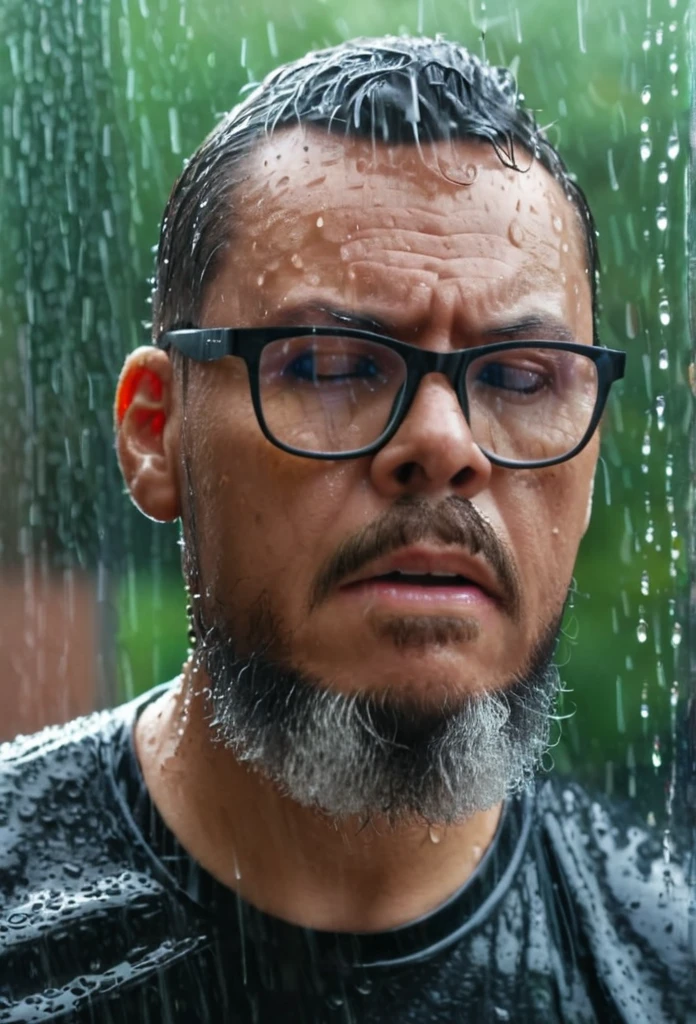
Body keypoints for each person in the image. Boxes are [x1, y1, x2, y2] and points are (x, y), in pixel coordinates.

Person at [0, 35, 691, 1024]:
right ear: (156, 435)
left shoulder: (666, 960)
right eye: (331, 365)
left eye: (520, 377)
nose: (445, 443)